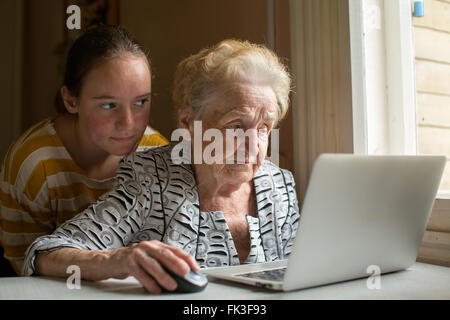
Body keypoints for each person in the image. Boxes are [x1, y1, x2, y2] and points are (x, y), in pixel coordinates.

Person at [22, 39, 300, 294]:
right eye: (236, 126)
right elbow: (46, 252)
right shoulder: (150, 180)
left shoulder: (279, 186)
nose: (254, 145)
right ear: (188, 121)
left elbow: (302, 276)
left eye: (264, 128)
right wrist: (115, 259)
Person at [0, 25, 168, 275]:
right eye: (109, 105)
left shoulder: (157, 156)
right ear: (71, 100)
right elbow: (24, 268)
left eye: (141, 102)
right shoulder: (34, 164)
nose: (129, 124)